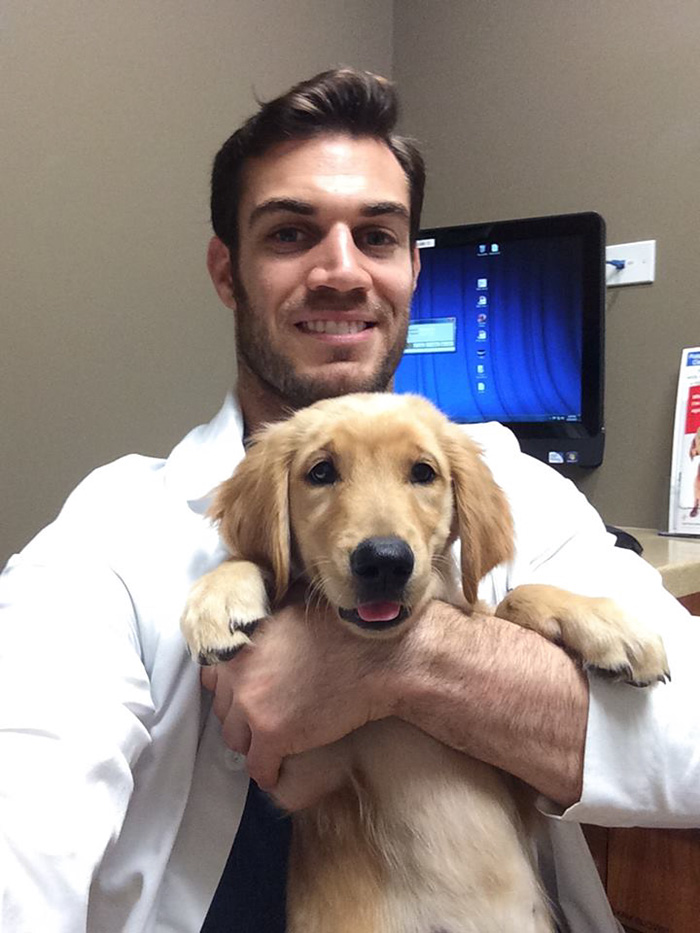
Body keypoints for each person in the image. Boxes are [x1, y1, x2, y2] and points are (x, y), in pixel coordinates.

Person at [1, 68, 698, 933]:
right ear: (228, 269)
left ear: (411, 268)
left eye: (376, 235)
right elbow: (23, 810)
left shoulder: (505, 481)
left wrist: (399, 664)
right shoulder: (108, 535)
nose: (340, 270)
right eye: (292, 233)